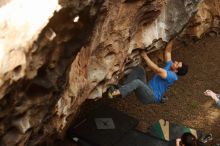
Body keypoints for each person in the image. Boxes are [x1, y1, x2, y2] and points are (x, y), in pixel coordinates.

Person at [108, 39, 188, 104]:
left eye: (177, 64)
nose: (175, 62)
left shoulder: (172, 76)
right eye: (177, 62)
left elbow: (157, 70)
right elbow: (168, 52)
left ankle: (114, 93)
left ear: (176, 70)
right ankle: (122, 88)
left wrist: (145, 56)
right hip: (147, 88)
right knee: (139, 69)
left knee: (137, 82)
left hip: (150, 96)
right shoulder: (170, 66)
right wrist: (173, 38)